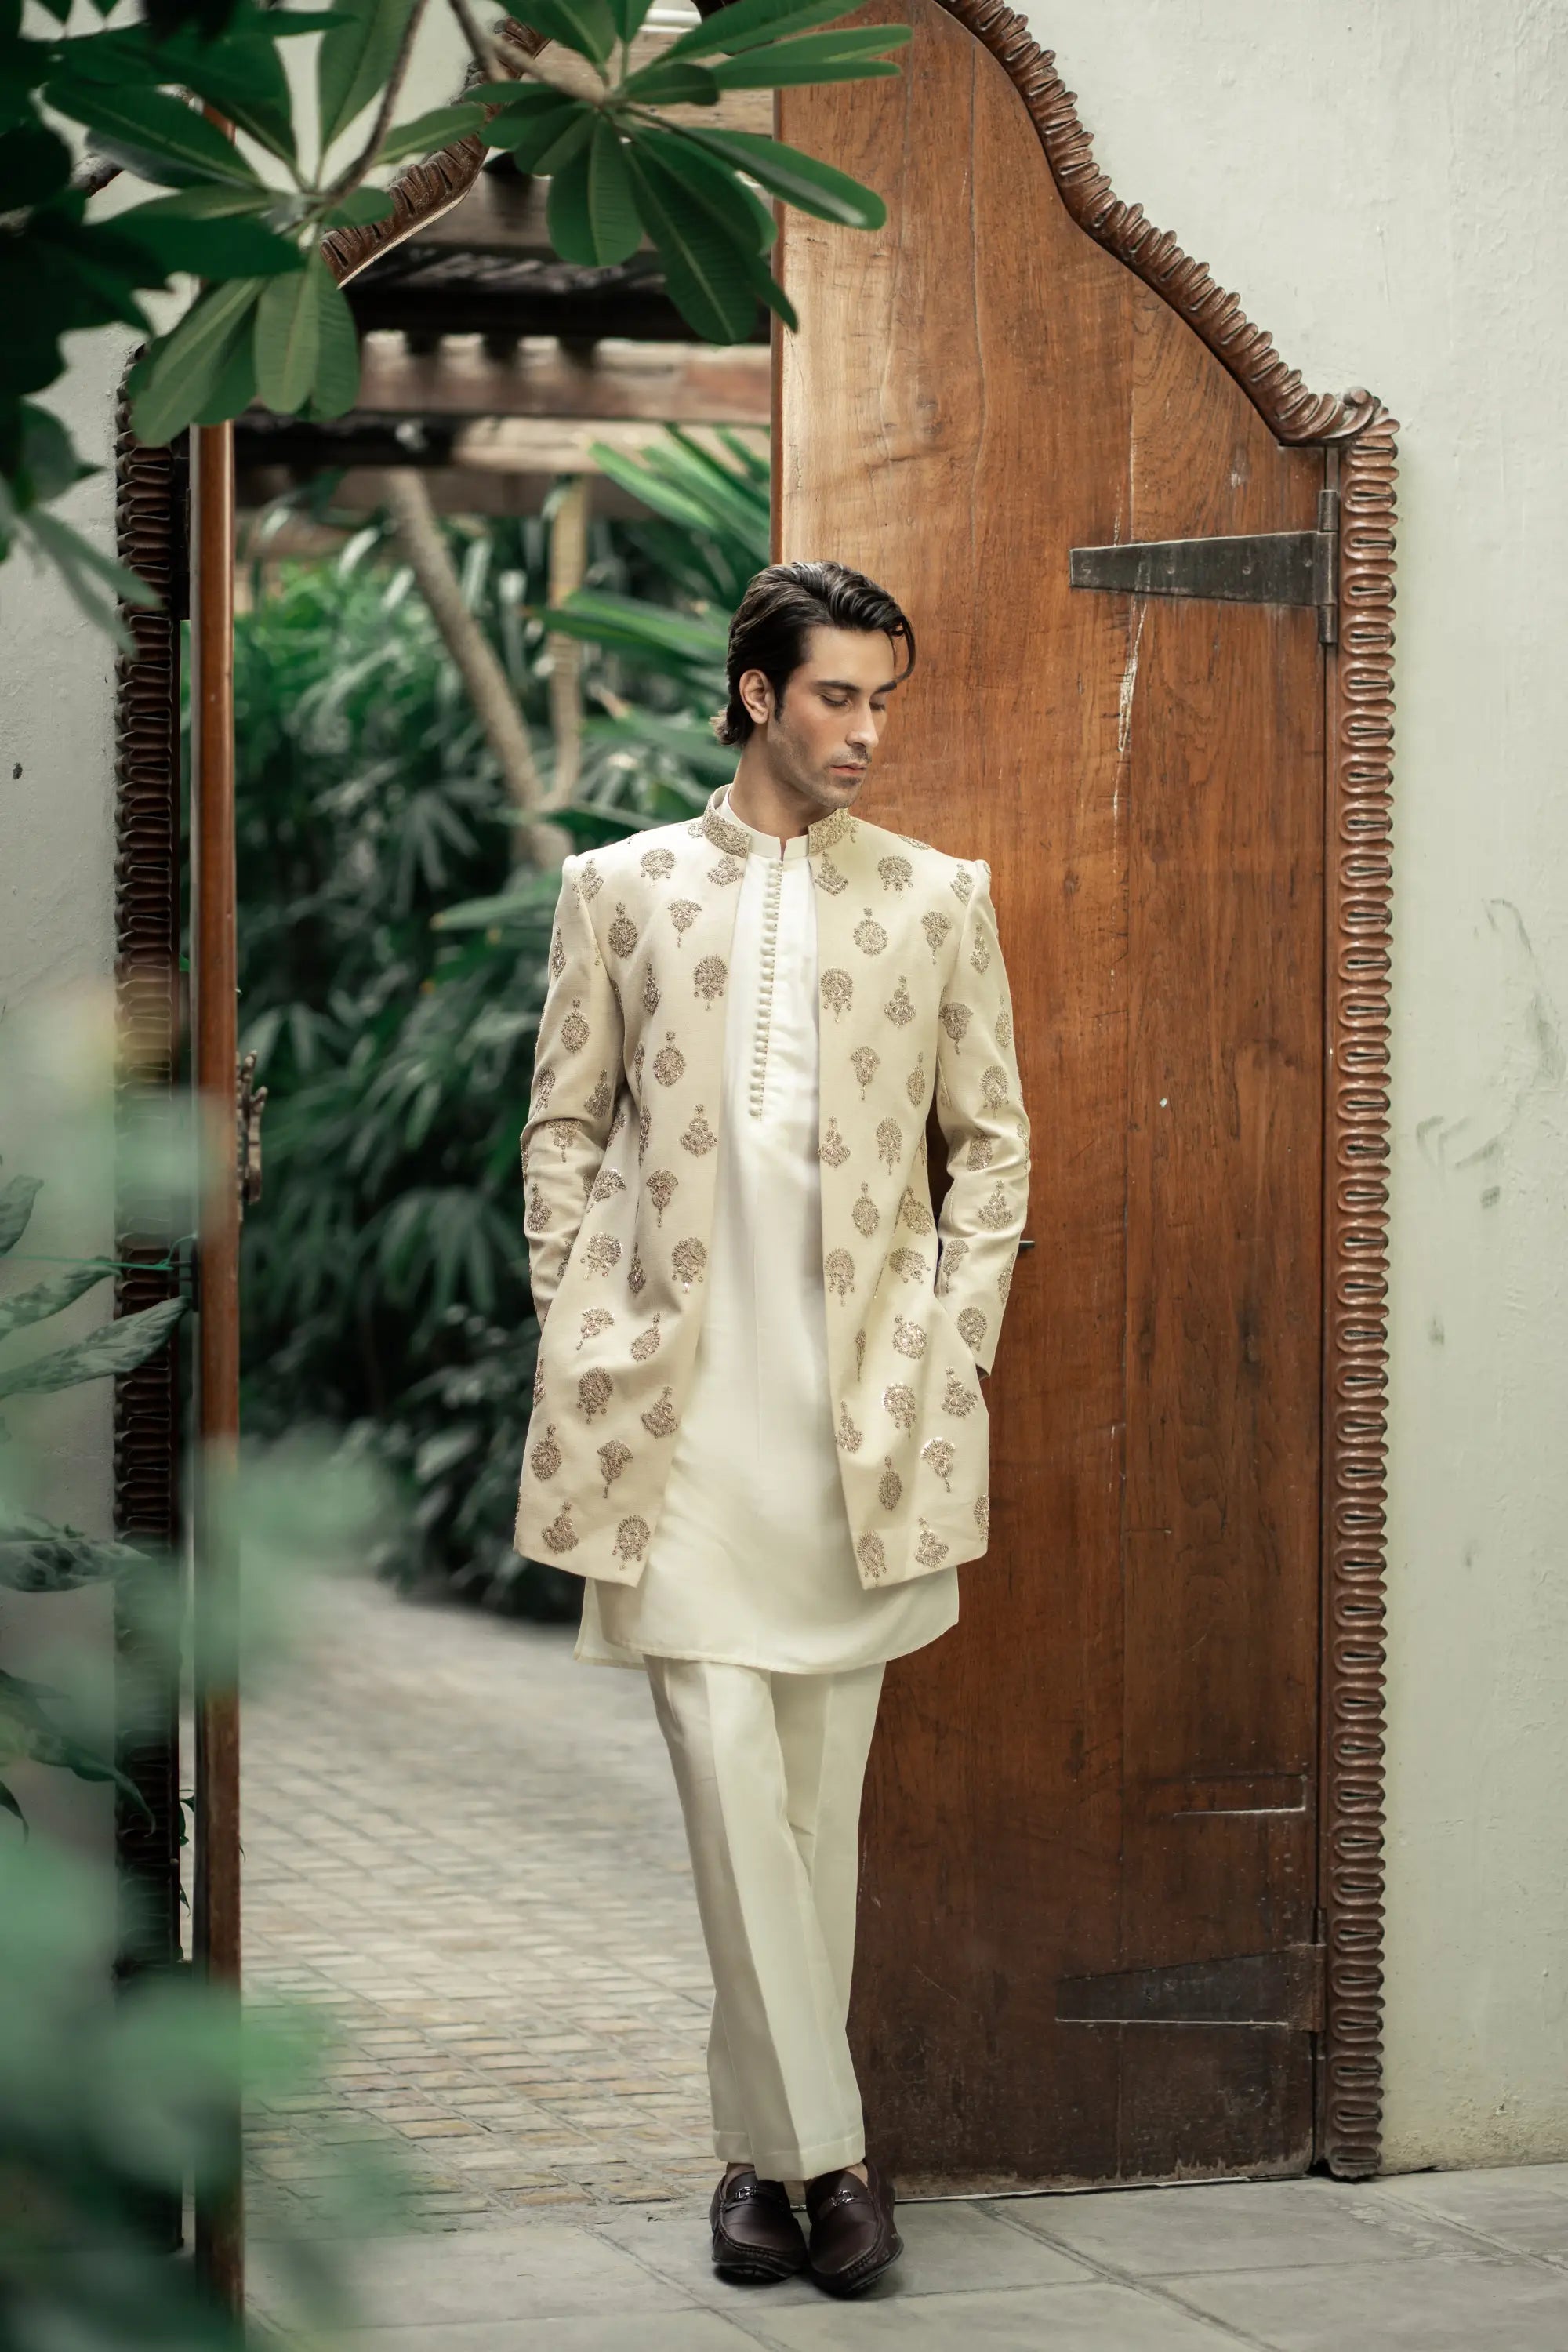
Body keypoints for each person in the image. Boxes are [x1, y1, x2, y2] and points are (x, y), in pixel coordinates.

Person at [514, 560, 1031, 2296]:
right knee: (726, 1772)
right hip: (670, 1425)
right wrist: (575, 1321)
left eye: (883, 698)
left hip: (859, 1427)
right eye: (834, 696)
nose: (866, 730)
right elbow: (561, 1126)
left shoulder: (941, 899)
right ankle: (840, 2156)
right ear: (753, 694)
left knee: (820, 1805)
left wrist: (949, 1350)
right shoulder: (622, 890)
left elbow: (994, 1150)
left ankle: (756, 2169)